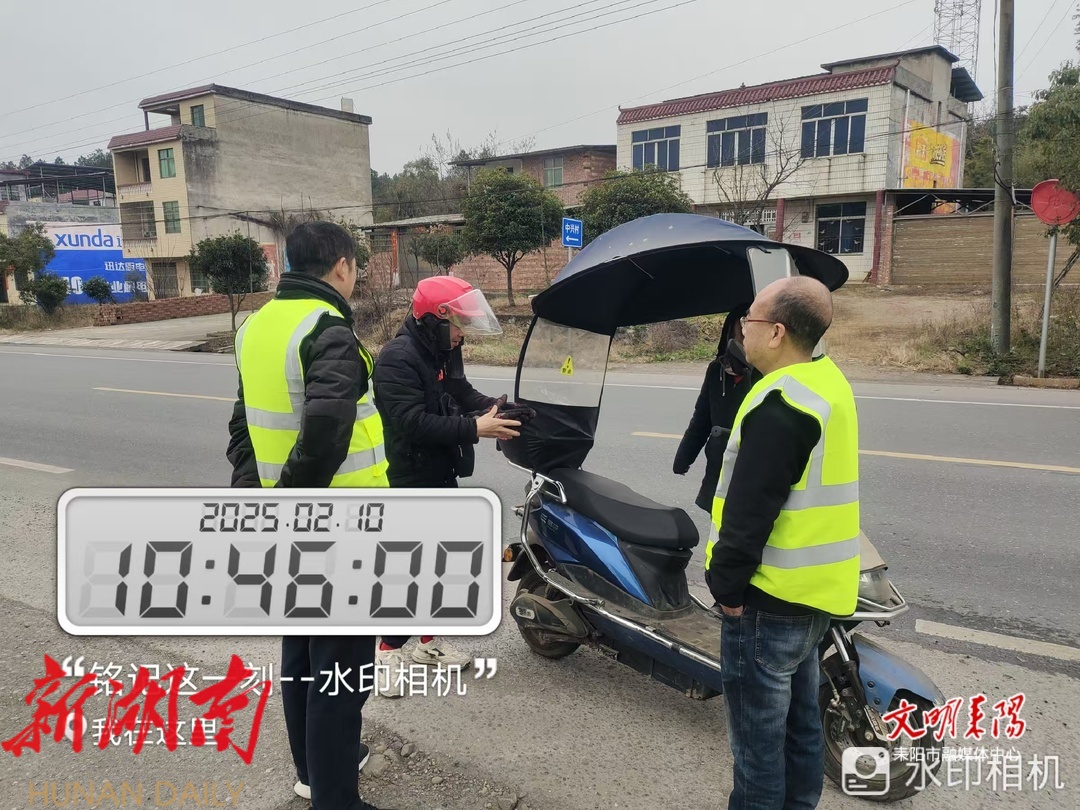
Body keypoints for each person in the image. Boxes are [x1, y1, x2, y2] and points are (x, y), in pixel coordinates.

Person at [226, 220, 388, 810]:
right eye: (355, 268)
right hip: (340, 527)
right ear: (341, 266)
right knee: (342, 674)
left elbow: (243, 427)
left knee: (300, 653)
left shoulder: (255, 327)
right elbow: (326, 435)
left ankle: (311, 771)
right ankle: (335, 798)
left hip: (288, 523)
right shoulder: (327, 329)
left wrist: (263, 505)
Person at [703, 275, 861, 810]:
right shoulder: (826, 381)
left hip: (768, 601)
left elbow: (750, 513)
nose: (740, 330)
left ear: (776, 332)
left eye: (748, 320)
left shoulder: (782, 402)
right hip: (816, 595)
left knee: (757, 749)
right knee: (801, 729)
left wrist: (727, 590)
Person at [371, 275, 526, 698]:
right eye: (459, 324)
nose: (462, 334)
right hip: (408, 476)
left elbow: (459, 391)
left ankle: (427, 643)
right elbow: (411, 422)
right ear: (434, 319)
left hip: (440, 469)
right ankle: (386, 653)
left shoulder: (442, 349)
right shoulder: (397, 358)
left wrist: (497, 408)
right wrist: (476, 428)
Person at [672, 303, 758, 513]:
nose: (746, 335)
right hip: (718, 469)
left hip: (751, 471)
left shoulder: (768, 373)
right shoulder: (716, 371)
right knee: (718, 522)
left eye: (750, 327)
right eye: (742, 327)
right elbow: (701, 418)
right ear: (730, 333)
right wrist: (684, 458)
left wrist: (750, 371)